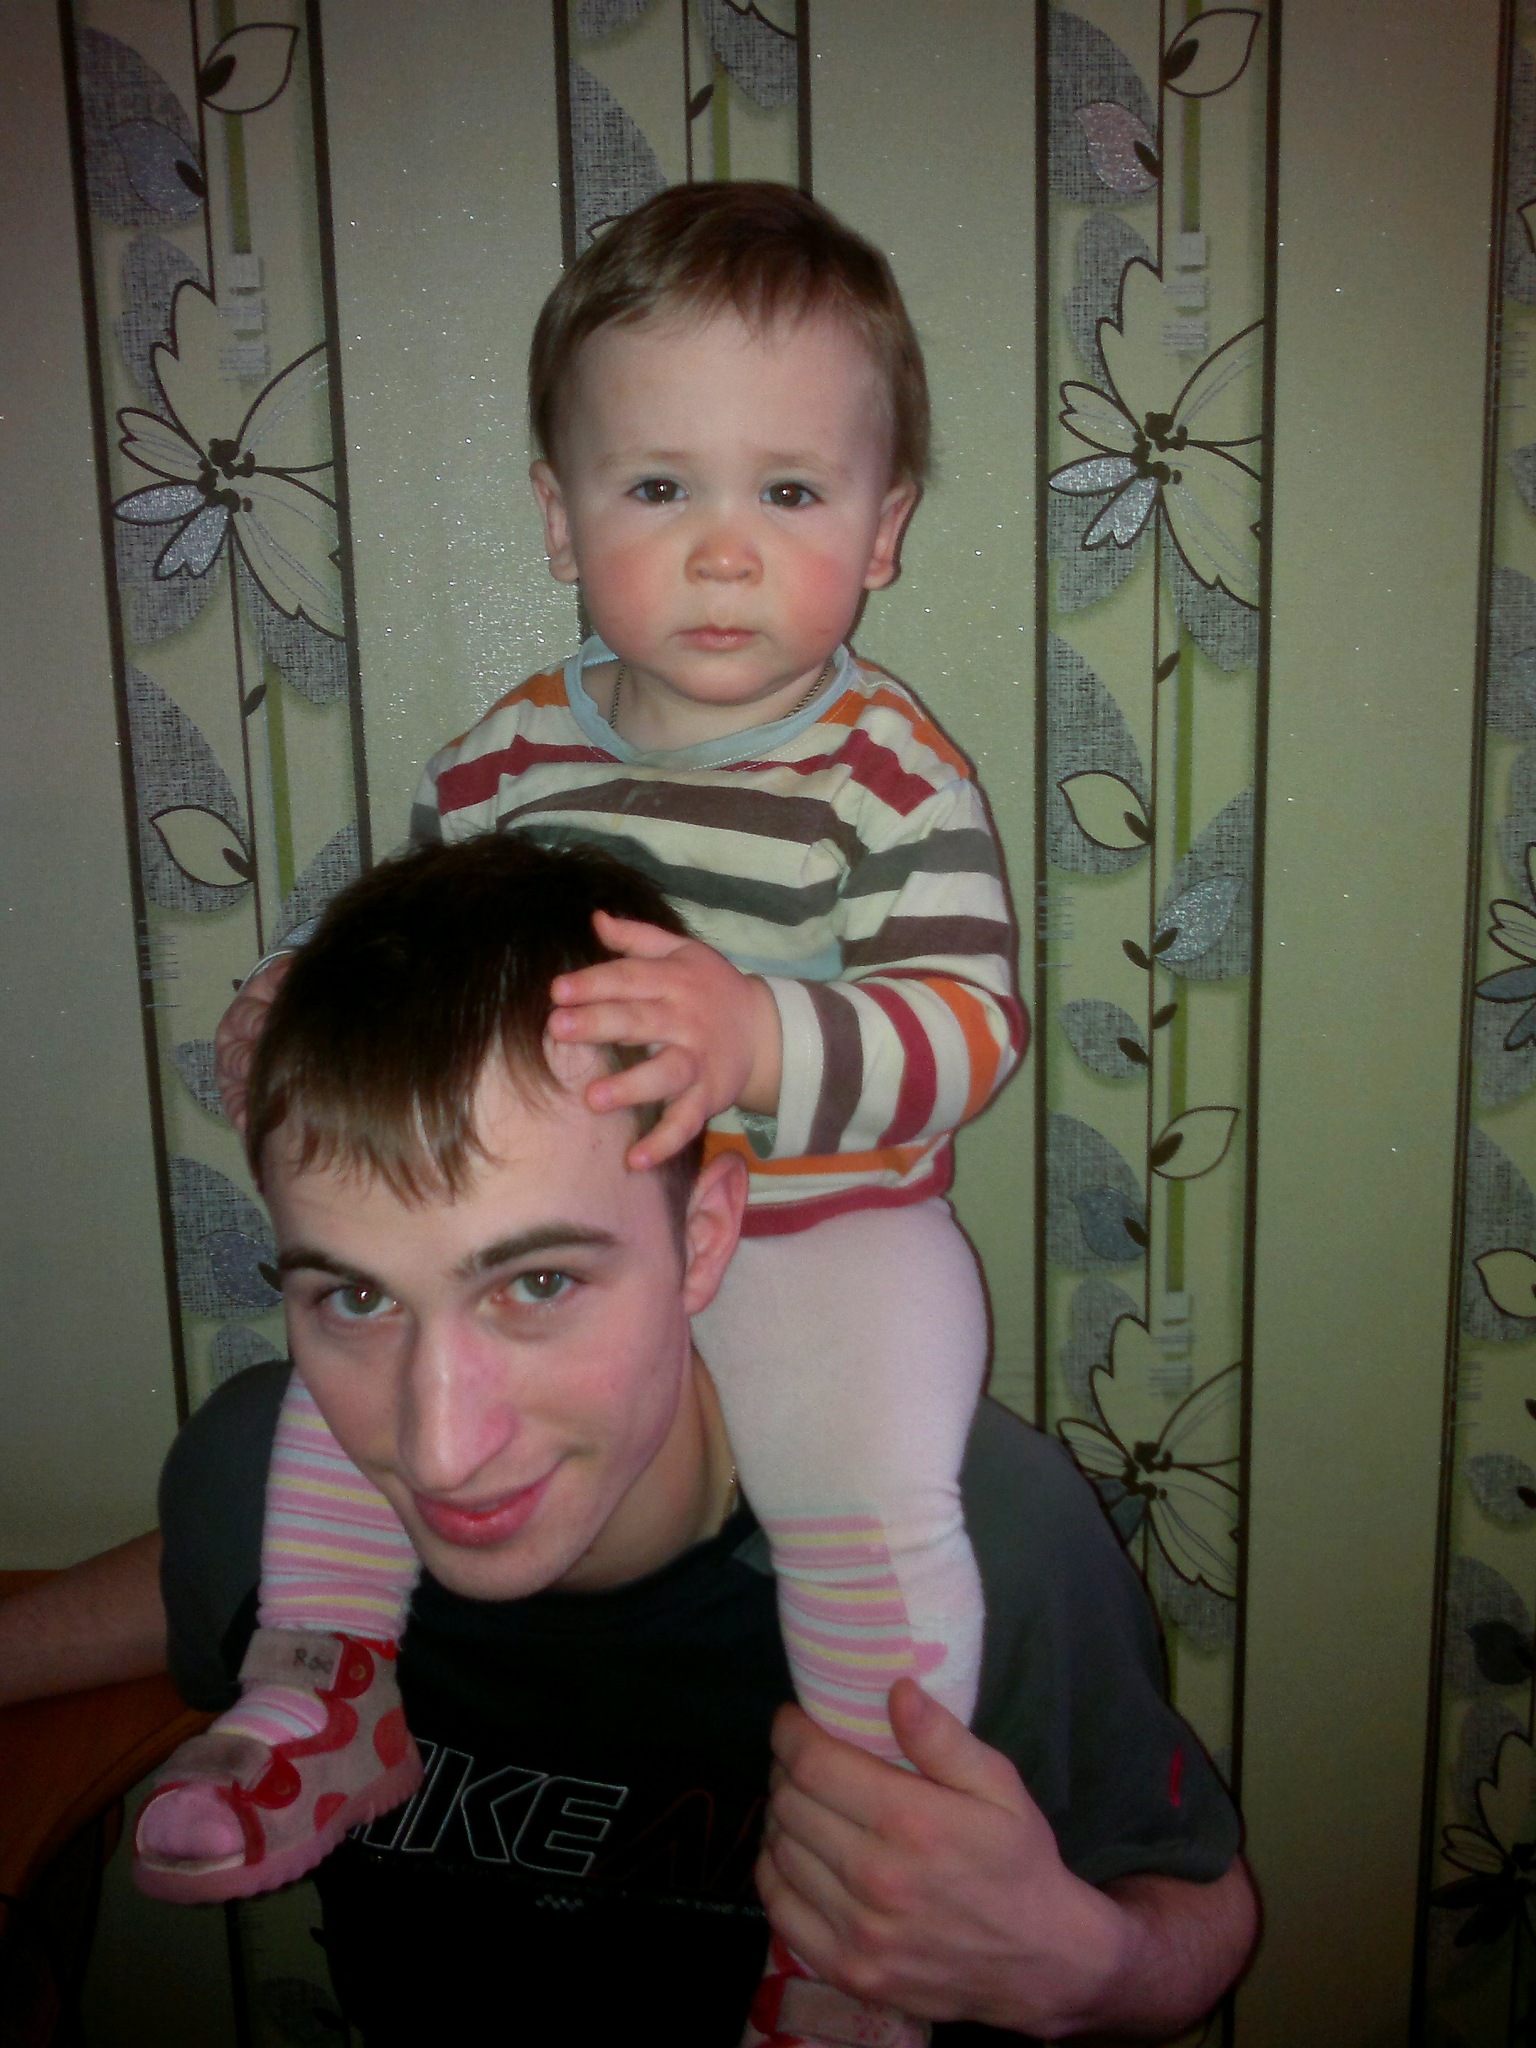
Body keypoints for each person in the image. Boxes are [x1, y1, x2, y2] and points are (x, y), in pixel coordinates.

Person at [142, 180, 1029, 2046]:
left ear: (883, 530)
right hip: (555, 1245)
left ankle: (855, 1907)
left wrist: (757, 1035)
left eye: (791, 492)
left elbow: (971, 1026)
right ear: (558, 517)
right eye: (660, 487)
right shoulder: (506, 757)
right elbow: (417, 947)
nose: (723, 553)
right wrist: (299, 993)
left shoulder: (888, 775)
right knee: (353, 1408)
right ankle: (326, 1696)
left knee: (869, 1506)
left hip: (824, 1225)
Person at [1, 833, 1256, 2045]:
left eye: (538, 1283)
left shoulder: (985, 1538)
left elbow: (1199, 1912)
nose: (441, 1449)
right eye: (358, 1297)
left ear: (703, 1238)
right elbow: (189, 1581)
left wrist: (1080, 1967)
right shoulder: (253, 1482)